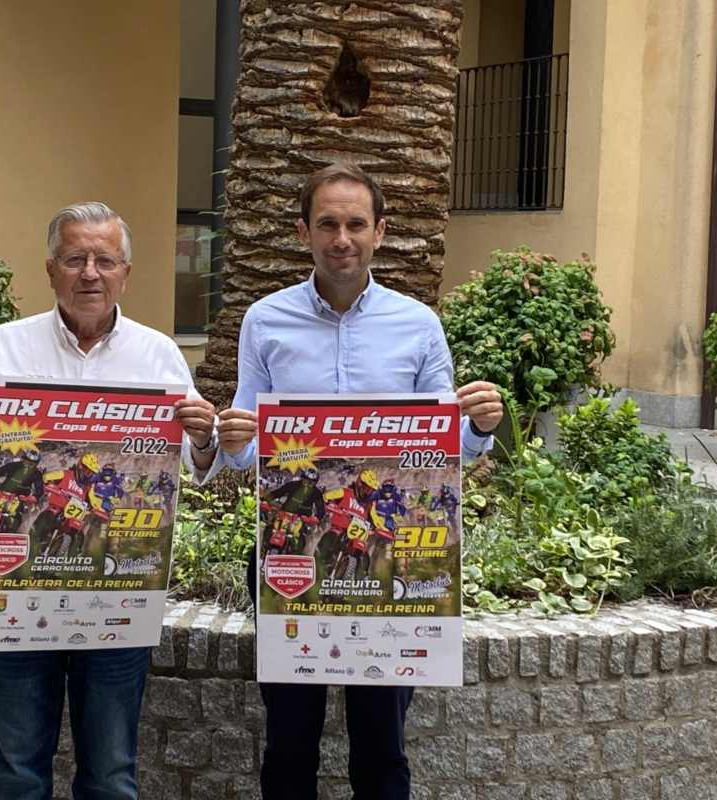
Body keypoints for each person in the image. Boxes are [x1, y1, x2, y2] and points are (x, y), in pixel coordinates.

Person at [215, 163, 504, 800]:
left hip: (388, 557)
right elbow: (247, 448)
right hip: (291, 553)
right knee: (289, 743)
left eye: (354, 223)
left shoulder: (418, 324)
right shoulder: (264, 320)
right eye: (327, 224)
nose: (340, 237)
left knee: (381, 748)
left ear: (380, 231)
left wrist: (478, 427)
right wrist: (233, 443)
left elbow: (442, 442)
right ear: (303, 231)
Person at [0, 202, 220, 800]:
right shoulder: (3, 346)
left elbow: (197, 464)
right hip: (16, 592)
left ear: (125, 272)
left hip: (117, 597)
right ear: (51, 268)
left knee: (111, 776)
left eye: (104, 260)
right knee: (15, 774)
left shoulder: (158, 353)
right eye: (75, 258)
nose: (90, 272)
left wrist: (203, 435)